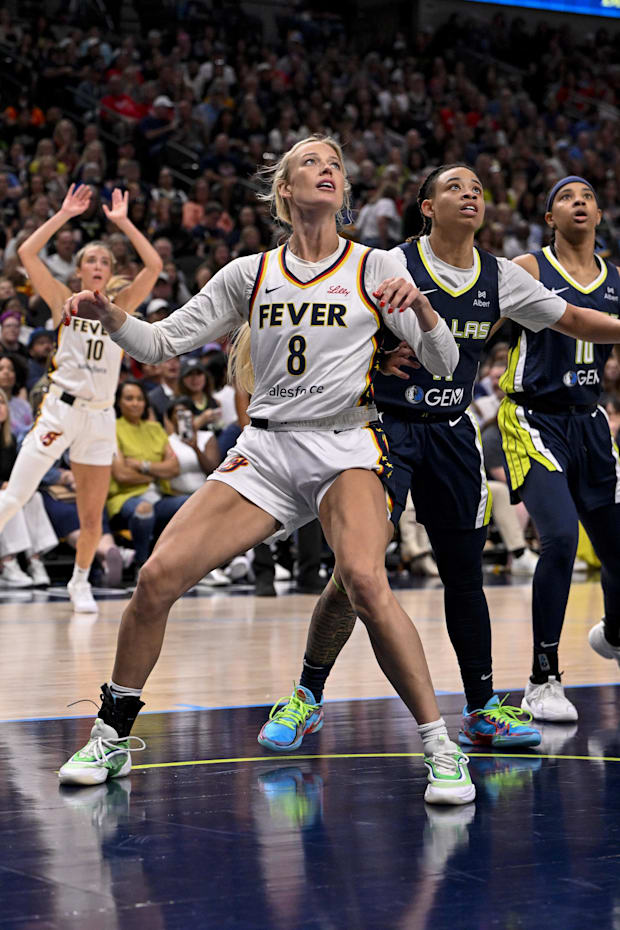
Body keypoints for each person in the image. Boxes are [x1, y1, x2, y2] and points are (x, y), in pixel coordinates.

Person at [57, 135, 473, 807]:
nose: (328, 170)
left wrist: (422, 306)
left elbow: (446, 363)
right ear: (285, 188)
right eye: (312, 161)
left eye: (336, 165)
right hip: (268, 449)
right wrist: (110, 315)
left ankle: (440, 747)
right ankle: (111, 734)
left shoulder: (376, 264)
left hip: (345, 444)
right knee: (156, 578)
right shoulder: (248, 273)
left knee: (365, 580)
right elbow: (161, 342)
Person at [256, 163, 620, 756]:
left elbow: (577, 320)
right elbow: (328, 329)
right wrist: (374, 360)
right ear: (427, 207)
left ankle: (481, 709)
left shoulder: (501, 276)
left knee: (464, 573)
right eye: (455, 187)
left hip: (452, 431)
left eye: (477, 188)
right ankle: (306, 694)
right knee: (355, 572)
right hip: (381, 429)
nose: (470, 194)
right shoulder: (387, 264)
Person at [0, 184, 162, 612]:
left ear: (110, 272)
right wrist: (65, 215)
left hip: (100, 417)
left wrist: (123, 223)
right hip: (60, 410)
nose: (98, 265)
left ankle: (79, 582)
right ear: (79, 270)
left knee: (93, 516)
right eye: (91, 259)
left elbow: (154, 264)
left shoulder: (122, 305)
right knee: (15, 496)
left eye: (105, 261)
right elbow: (27, 254)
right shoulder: (61, 298)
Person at [497, 176, 620, 721]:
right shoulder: (528, 268)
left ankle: (613, 635)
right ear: (550, 218)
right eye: (566, 198)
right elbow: (483, 327)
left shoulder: (615, 279)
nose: (579, 203)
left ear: (599, 214)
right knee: (562, 538)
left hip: (590, 421)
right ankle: (542, 679)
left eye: (587, 197)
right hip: (533, 417)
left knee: (616, 548)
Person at [107, 380, 189, 576]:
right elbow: (121, 474)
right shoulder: (111, 429)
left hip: (159, 496)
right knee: (144, 509)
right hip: (125, 498)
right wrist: (155, 474)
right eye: (129, 398)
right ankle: (142, 565)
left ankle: (184, 563)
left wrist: (142, 466)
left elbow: (174, 467)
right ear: (118, 402)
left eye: (139, 399)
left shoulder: (155, 429)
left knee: (190, 503)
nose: (135, 403)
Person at [0, 388, 57, 587]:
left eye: (2, 403)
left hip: (6, 490)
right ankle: (7, 563)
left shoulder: (9, 441)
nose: (0, 407)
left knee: (33, 497)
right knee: (8, 498)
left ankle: (35, 560)